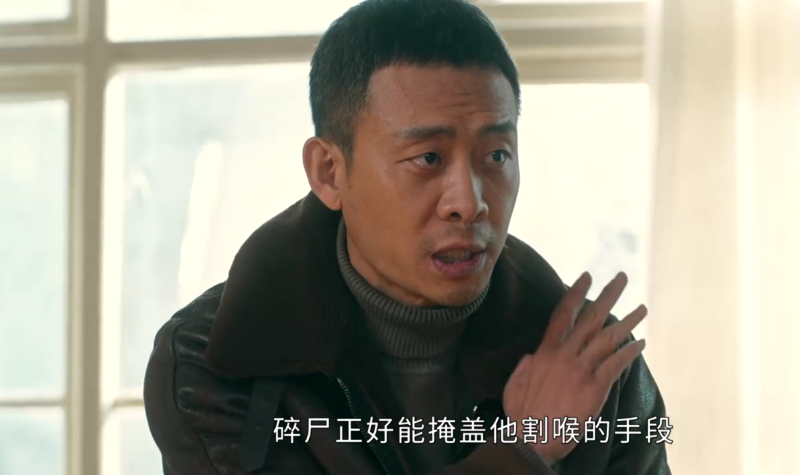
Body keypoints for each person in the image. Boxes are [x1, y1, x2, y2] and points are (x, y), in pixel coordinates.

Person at [143, 0, 671, 473]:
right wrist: (522, 454)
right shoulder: (213, 360)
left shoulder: (594, 367)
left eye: (496, 155)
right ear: (329, 172)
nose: (468, 202)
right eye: (428, 158)